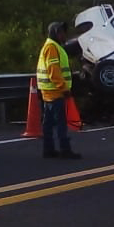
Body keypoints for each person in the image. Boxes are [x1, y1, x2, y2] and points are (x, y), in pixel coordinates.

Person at [35, 21, 80, 160]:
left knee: (48, 123)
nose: (63, 35)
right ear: (55, 32)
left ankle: (48, 150)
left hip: (49, 91)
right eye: (61, 32)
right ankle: (64, 150)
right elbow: (53, 71)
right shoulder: (52, 47)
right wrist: (63, 88)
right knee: (61, 122)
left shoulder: (52, 46)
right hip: (55, 91)